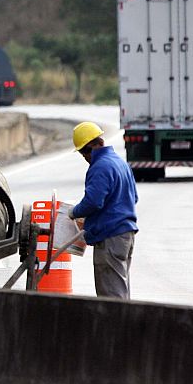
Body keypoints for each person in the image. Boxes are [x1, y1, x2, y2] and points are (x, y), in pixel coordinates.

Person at [69, 122, 139, 300]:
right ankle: (124, 325)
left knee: (111, 295)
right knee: (120, 289)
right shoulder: (120, 163)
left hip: (110, 237)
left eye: (83, 153)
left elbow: (93, 201)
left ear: (89, 149)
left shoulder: (100, 167)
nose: (84, 158)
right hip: (126, 235)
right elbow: (133, 198)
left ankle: (117, 327)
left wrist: (74, 213)